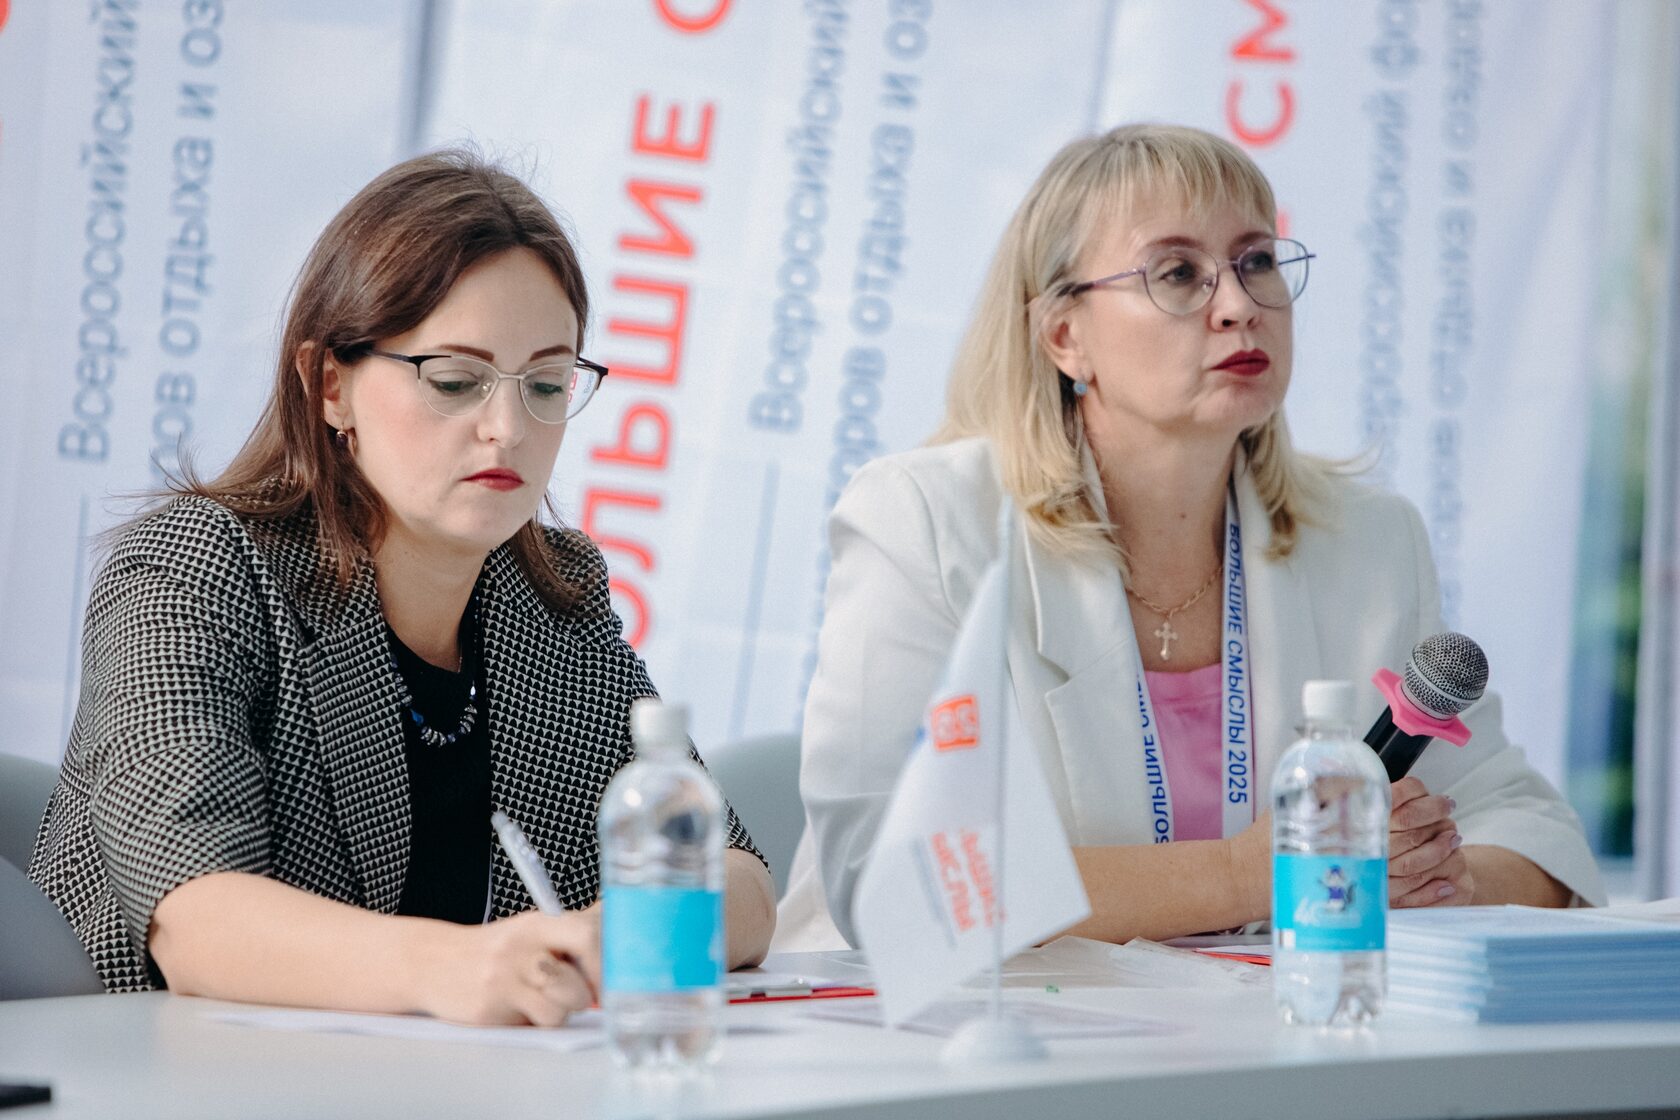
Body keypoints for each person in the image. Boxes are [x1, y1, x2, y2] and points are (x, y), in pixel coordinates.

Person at [776, 124, 1603, 952]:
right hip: (949, 1024)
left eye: (1257, 261)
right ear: (1065, 337)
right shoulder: (925, 522)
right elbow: (900, 879)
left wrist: (1443, 882)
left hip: (1270, 1022)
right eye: (1177, 273)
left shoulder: (1369, 542)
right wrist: (1258, 873)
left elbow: (1531, 829)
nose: (1239, 304)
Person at [29, 150, 775, 1021]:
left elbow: (739, 880)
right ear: (330, 385)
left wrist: (617, 939)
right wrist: (457, 967)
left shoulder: (552, 599)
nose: (508, 427)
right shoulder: (194, 567)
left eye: (545, 384)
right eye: (455, 381)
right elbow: (196, 916)